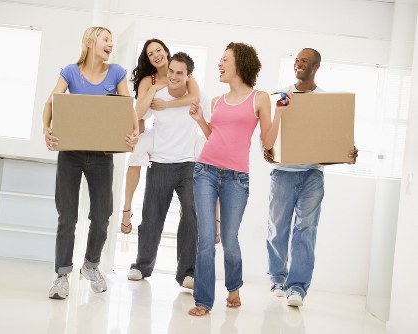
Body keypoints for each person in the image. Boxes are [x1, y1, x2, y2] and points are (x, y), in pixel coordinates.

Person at [187, 42, 289, 316]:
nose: (219, 65)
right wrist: (200, 121)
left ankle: (233, 286)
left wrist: (279, 113)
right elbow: (215, 138)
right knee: (206, 240)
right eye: (219, 60)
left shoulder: (259, 98)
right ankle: (203, 301)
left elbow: (267, 142)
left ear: (240, 65)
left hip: (236, 179)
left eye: (225, 60)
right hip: (205, 171)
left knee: (230, 240)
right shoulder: (216, 101)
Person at [43, 26, 139, 299]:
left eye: (112, 40)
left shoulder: (117, 72)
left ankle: (91, 266)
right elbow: (51, 102)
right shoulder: (71, 72)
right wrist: (45, 129)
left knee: (101, 216)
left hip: (101, 155)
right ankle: (62, 276)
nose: (111, 43)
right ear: (90, 41)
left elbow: (126, 108)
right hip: (71, 154)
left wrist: (134, 132)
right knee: (68, 216)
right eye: (106, 39)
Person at [265, 48, 358, 307]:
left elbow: (332, 141)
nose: (298, 65)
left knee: (306, 230)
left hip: (312, 175)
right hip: (283, 173)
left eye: (304, 61)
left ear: (316, 66)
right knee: (277, 228)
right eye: (296, 61)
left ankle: (297, 288)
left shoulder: (325, 102)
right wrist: (267, 150)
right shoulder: (281, 95)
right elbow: (270, 135)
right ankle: (277, 279)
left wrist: (346, 153)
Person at [127, 52, 210, 289]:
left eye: (180, 73)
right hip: (160, 164)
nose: (174, 76)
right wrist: (152, 91)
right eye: (171, 71)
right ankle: (141, 266)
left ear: (188, 76)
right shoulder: (158, 96)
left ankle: (187, 273)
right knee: (151, 217)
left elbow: (208, 127)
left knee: (191, 216)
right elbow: (139, 114)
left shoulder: (198, 98)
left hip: (188, 165)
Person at [120, 39, 199, 234]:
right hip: (155, 131)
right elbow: (138, 113)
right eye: (150, 54)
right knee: (135, 154)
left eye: (158, 50)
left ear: (165, 51)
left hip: (180, 136)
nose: (156, 55)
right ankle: (127, 208)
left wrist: (167, 105)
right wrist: (155, 88)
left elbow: (195, 97)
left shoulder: (181, 69)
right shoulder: (149, 81)